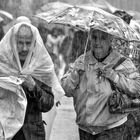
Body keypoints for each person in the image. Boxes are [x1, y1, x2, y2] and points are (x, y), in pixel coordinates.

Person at [61, 29, 140, 140]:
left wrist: (115, 77)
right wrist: (75, 74)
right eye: (94, 37)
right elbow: (65, 90)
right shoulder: (81, 61)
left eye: (102, 38)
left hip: (112, 129)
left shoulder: (121, 62)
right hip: (85, 129)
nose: (97, 42)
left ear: (110, 40)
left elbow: (137, 87)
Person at [0, 21, 64, 140]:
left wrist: (33, 87)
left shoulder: (41, 66)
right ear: (13, 42)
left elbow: (47, 104)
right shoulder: (3, 64)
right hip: (7, 134)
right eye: (20, 43)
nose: (24, 48)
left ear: (35, 43)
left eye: (28, 43)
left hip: (33, 134)